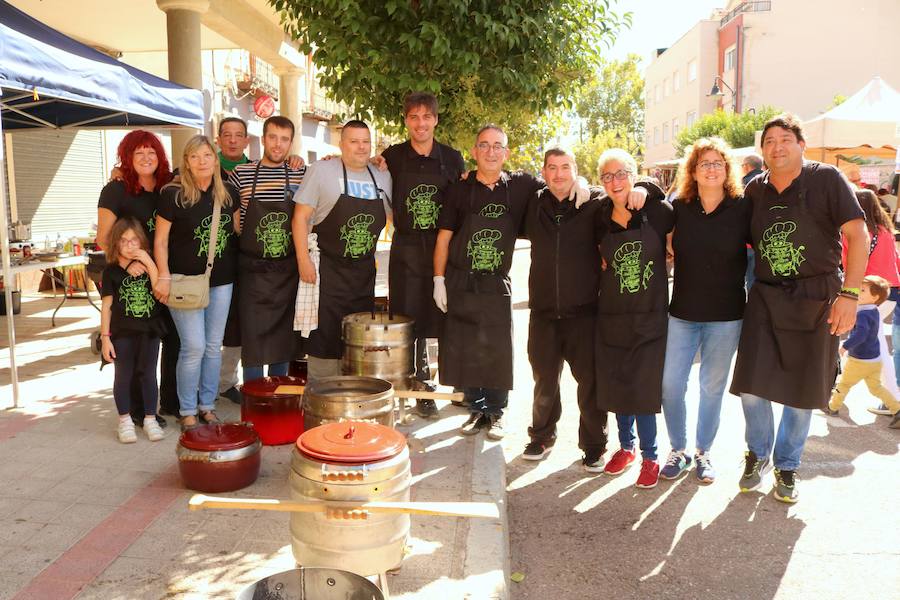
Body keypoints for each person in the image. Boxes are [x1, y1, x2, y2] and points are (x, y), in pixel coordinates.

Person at [730, 113, 867, 504]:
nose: (777, 146)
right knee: (752, 387)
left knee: (800, 391)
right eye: (769, 141)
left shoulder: (826, 179)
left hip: (818, 296)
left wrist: (851, 295)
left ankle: (787, 464)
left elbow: (858, 234)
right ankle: (757, 453)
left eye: (785, 138)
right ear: (763, 151)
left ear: (801, 144)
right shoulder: (755, 190)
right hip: (766, 295)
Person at [433, 125, 546, 440]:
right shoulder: (459, 188)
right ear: (474, 152)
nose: (491, 152)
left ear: (506, 153)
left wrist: (578, 182)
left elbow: (556, 182)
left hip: (496, 281)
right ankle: (475, 409)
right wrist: (438, 279)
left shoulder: (521, 185)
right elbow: (444, 238)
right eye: (484, 145)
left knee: (496, 349)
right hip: (461, 279)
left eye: (498, 146)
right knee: (466, 347)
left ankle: (496, 412)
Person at [660, 138, 748, 484]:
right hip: (682, 313)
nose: (711, 168)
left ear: (726, 170)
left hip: (726, 316)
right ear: (692, 171)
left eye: (717, 163)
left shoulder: (742, 207)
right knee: (670, 385)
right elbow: (654, 217)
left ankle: (703, 453)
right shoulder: (678, 207)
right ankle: (678, 449)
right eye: (704, 163)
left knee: (712, 388)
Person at [520, 148, 609, 471]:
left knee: (589, 382)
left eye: (566, 167)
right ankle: (542, 435)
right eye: (552, 168)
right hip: (543, 311)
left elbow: (630, 193)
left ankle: (594, 445)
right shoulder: (533, 202)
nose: (558, 174)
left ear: (575, 170)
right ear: (543, 171)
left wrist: (646, 188)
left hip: (584, 311)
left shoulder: (594, 202)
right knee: (544, 378)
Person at [382, 92, 466, 418]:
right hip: (405, 249)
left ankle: (456, 382)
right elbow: (365, 171)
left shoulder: (452, 157)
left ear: (435, 120)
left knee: (442, 318)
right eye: (414, 117)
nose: (420, 123)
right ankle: (420, 387)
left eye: (426, 117)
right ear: (406, 121)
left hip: (442, 246)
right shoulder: (392, 157)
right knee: (410, 320)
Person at [593, 149, 671, 489]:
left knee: (643, 389)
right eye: (607, 176)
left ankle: (651, 457)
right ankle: (625, 447)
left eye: (621, 173)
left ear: (633, 174)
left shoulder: (658, 210)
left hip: (650, 316)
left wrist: (649, 186)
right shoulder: (599, 216)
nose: (615, 182)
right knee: (618, 385)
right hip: (612, 315)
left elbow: (673, 202)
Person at [292, 120, 392, 381]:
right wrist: (303, 259)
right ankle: (322, 401)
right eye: (353, 141)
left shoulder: (382, 175)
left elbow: (394, 222)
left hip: (363, 274)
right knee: (324, 339)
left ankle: (352, 400)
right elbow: (300, 217)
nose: (361, 147)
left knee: (357, 342)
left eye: (365, 142)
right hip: (326, 271)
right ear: (341, 144)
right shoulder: (322, 170)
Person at [154, 135, 240, 429]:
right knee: (193, 346)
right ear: (186, 163)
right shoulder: (173, 195)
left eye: (207, 155)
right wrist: (162, 276)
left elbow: (237, 231)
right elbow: (161, 241)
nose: (202, 161)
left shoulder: (228, 193)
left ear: (216, 160)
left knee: (213, 346)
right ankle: (187, 409)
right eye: (195, 157)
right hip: (184, 282)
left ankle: (207, 405)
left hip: (222, 281)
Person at [96, 130, 174, 429]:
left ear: (160, 156)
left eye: (151, 151)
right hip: (132, 278)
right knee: (131, 346)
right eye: (138, 152)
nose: (145, 158)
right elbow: (104, 237)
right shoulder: (116, 189)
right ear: (127, 157)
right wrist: (127, 264)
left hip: (162, 273)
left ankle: (162, 404)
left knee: (163, 343)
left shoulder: (167, 185)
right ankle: (136, 413)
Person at [229, 116, 306, 385]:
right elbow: (227, 209)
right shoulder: (242, 173)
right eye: (272, 137)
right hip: (251, 268)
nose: (278, 144)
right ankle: (253, 396)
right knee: (253, 338)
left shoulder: (300, 173)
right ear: (263, 139)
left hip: (286, 269)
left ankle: (278, 396)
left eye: (284, 139)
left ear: (291, 142)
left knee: (282, 337)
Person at [100, 217, 166, 443]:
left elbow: (160, 290)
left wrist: (148, 261)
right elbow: (107, 306)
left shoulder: (148, 267)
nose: (129, 245)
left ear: (142, 242)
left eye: (134, 240)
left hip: (149, 330)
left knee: (148, 374)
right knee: (124, 375)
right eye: (123, 241)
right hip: (122, 332)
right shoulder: (110, 272)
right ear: (115, 244)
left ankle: (149, 419)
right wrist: (105, 338)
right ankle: (125, 421)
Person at [842, 189, 900, 416]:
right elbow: (896, 261)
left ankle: (892, 397)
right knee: (878, 344)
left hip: (865, 293)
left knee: (871, 343)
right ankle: (888, 394)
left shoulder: (854, 232)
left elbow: (847, 264)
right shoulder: (885, 231)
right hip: (889, 292)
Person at [824, 275, 900, 427]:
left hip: (859, 361)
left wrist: (845, 347)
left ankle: (832, 407)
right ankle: (897, 409)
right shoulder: (874, 311)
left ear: (875, 297)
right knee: (876, 388)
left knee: (844, 384)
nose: (858, 292)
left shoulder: (863, 314)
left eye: (863, 290)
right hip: (874, 360)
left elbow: (861, 334)